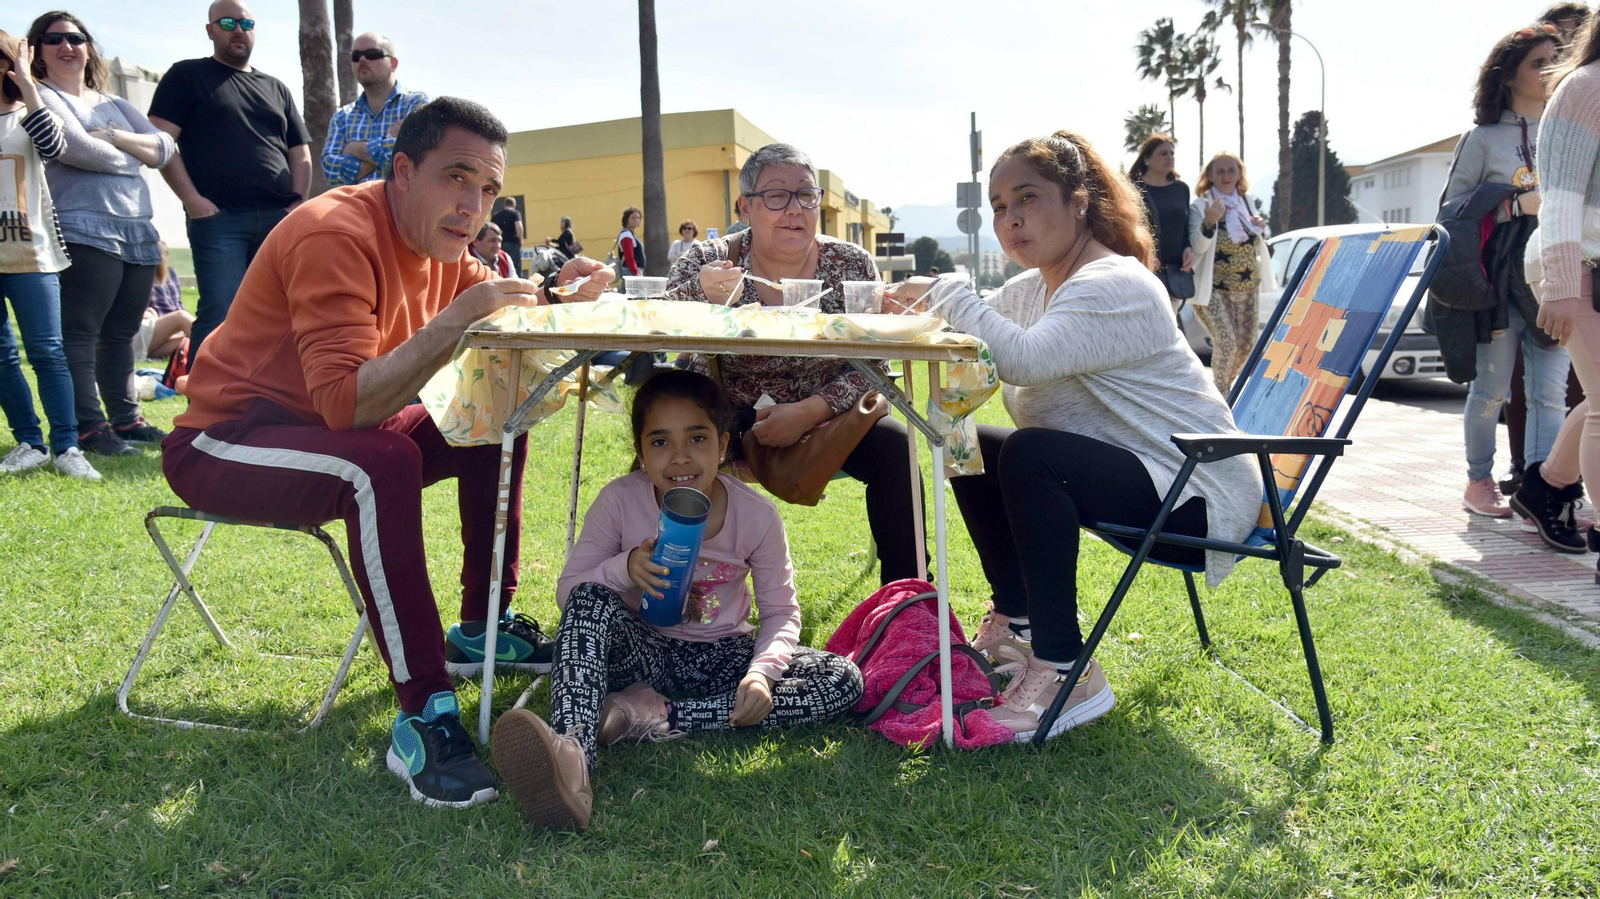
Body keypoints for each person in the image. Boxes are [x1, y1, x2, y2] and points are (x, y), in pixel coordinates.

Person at [159, 97, 612, 808]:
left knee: (503, 414)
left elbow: (501, 313)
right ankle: (424, 714)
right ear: (403, 170)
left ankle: (480, 626)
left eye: (488, 189)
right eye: (456, 178)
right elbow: (348, 405)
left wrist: (560, 293)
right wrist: (460, 318)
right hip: (225, 443)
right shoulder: (332, 233)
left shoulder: (444, 247)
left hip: (327, 434)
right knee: (382, 463)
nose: (472, 205)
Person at [882, 130, 1263, 743]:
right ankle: (1019, 619)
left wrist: (946, 290)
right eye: (1000, 206)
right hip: (1149, 478)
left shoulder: (1114, 283)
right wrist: (911, 306)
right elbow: (978, 326)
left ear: (1079, 202)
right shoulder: (1035, 287)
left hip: (1199, 495)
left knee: (1032, 455)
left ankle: (1065, 669)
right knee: (974, 441)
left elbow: (1024, 358)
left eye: (1028, 198)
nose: (1011, 219)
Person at [490, 370, 863, 830]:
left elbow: (782, 612)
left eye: (697, 438)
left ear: (723, 445)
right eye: (660, 442)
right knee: (590, 596)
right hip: (642, 650)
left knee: (841, 679)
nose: (680, 457)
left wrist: (761, 676)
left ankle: (650, 715)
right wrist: (623, 568)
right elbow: (570, 593)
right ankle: (572, 758)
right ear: (641, 452)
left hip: (722, 656)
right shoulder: (619, 501)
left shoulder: (757, 516)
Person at [663, 143, 922, 586]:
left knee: (896, 448)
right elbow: (657, 314)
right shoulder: (712, 260)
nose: (794, 210)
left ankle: (907, 603)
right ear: (745, 207)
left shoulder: (850, 264)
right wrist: (698, 292)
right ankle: (670, 579)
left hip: (827, 411)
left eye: (806, 195)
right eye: (777, 196)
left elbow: (874, 356)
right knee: (666, 440)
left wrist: (811, 410)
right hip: (730, 414)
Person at [1439, 26, 1572, 525]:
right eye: (1539, 62)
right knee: (1492, 389)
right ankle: (1479, 479)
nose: (1550, 70)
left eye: (1557, 60)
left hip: (1559, 277)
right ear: (1509, 72)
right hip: (1497, 283)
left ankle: (1540, 488)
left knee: (1549, 392)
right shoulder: (1482, 138)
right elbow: (1450, 210)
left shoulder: (1572, 130)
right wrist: (1516, 204)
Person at [32, 11, 176, 456]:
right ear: (36, 50)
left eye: (76, 38)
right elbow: (75, 148)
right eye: (53, 39)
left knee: (121, 332)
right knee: (82, 331)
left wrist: (112, 135)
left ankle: (126, 420)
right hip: (83, 227)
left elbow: (167, 147)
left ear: (89, 46)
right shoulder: (41, 94)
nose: (67, 46)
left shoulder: (112, 104)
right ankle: (88, 428)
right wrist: (134, 153)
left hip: (137, 229)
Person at [147, 0, 311, 359]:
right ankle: (207, 407)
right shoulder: (186, 76)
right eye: (227, 22)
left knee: (279, 314)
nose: (238, 29)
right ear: (210, 30)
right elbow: (160, 143)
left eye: (246, 22)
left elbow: (299, 152)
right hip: (220, 221)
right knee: (220, 312)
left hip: (276, 219)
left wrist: (297, 202)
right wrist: (192, 200)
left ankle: (268, 401)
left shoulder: (276, 88)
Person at [1519, 14, 1600, 566]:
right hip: (1577, 265)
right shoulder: (1586, 86)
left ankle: (1548, 484)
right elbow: (1562, 194)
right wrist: (1563, 285)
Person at [0, 30, 98, 481]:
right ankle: (29, 443)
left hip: (33, 253)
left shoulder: (29, 115)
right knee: (2, 356)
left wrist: (25, 79)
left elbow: (55, 147)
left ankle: (67, 447)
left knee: (47, 351)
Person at [1186, 150, 1275, 396]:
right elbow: (1196, 246)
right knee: (1226, 343)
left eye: (1231, 170)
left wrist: (1261, 230)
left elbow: (1258, 243)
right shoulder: (1201, 205)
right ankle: (1221, 398)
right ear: (1210, 176)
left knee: (1246, 347)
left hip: (1247, 288)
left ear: (1239, 175)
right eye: (1220, 171)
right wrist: (1209, 222)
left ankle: (1217, 392)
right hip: (1213, 289)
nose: (1226, 175)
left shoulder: (1247, 202)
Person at [320, 32, 428, 186]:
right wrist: (390, 140)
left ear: (393, 63)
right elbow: (330, 170)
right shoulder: (342, 117)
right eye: (356, 56)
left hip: (401, 209)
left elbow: (416, 157)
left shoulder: (416, 103)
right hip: (355, 209)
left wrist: (353, 148)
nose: (363, 59)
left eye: (372, 54)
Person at [1130, 133, 1196, 317]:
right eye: (1163, 153)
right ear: (1147, 159)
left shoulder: (1181, 189)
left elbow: (1184, 228)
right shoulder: (1133, 188)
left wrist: (1188, 248)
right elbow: (1128, 227)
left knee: (1168, 322)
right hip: (1144, 269)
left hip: (1176, 272)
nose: (1169, 158)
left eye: (1172, 153)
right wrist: (1144, 252)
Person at [135, 241, 194, 361]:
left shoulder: (171, 273)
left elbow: (178, 303)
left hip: (168, 333)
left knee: (190, 341)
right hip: (149, 326)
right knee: (181, 317)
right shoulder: (139, 273)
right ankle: (224, 349)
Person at [490, 196, 524, 277]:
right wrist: (521, 239)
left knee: (502, 267)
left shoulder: (497, 215)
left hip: (500, 245)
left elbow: (491, 228)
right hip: (513, 243)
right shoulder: (515, 213)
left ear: (504, 205)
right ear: (514, 205)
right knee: (516, 268)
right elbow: (519, 226)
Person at [615, 205, 645, 277]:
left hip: (635, 271)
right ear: (626, 219)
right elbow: (629, 256)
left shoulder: (631, 234)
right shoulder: (626, 234)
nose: (636, 220)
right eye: (633, 217)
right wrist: (635, 272)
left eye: (638, 218)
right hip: (630, 272)